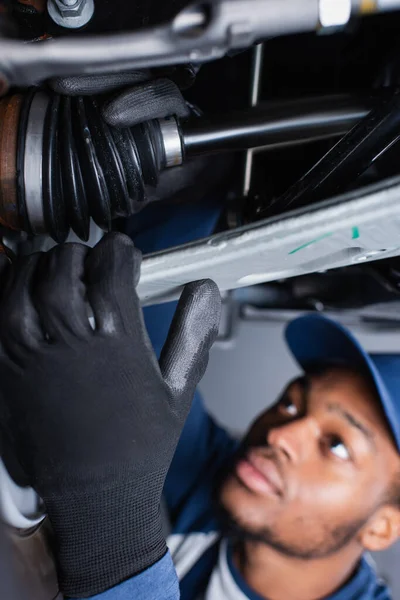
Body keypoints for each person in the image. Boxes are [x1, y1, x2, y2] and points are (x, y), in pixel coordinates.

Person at [0, 224, 400, 600]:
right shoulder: (223, 477)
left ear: (383, 526)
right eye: (292, 403)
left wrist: (115, 542)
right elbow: (152, 343)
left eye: (337, 445)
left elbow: (115, 525)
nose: (280, 435)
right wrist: (185, 198)